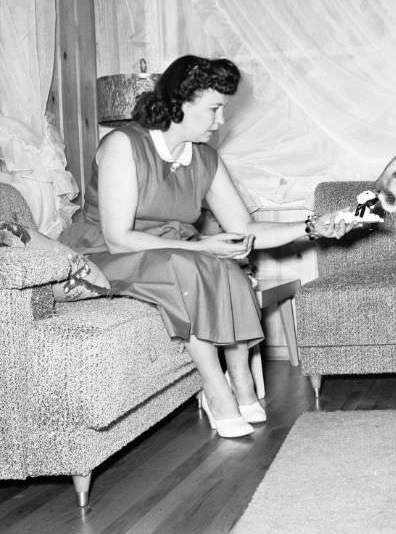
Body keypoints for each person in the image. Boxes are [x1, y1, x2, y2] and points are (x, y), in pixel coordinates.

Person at [61, 55, 358, 438]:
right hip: (104, 251)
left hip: (168, 249)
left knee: (230, 267)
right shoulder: (123, 144)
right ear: (180, 102)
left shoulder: (205, 157)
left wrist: (312, 226)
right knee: (194, 264)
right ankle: (216, 391)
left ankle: (242, 384)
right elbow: (119, 237)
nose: (220, 122)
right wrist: (203, 247)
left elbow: (245, 228)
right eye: (214, 109)